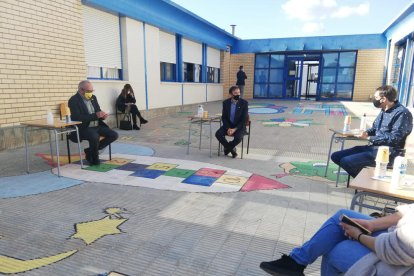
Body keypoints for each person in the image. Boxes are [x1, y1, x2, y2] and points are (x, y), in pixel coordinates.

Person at [260, 204, 414, 275]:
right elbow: (409, 211)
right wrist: (372, 224)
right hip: (398, 236)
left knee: (335, 249)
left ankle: (295, 264)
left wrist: (359, 236)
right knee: (342, 217)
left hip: (403, 262)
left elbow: (395, 249)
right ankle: (296, 261)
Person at [331, 85, 412, 178]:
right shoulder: (384, 109)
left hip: (388, 153)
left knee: (347, 161)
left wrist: (370, 138)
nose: (374, 99)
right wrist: (366, 132)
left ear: (383, 99)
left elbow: (395, 138)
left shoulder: (402, 113)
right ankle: (364, 180)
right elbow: (374, 128)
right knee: (336, 156)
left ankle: (366, 183)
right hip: (373, 148)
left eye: (376, 97)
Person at [68, 80, 118, 165]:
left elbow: (98, 111)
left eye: (92, 91)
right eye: (88, 91)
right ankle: (95, 158)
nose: (90, 93)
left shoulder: (93, 97)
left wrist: (102, 116)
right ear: (81, 90)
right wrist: (96, 115)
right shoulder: (73, 100)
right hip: (83, 127)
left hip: (97, 125)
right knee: (94, 136)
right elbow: (76, 117)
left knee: (114, 135)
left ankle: (90, 151)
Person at [215, 86, 248, 159]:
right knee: (218, 134)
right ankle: (232, 150)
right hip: (228, 125)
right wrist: (228, 128)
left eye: (239, 93)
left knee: (238, 138)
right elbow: (224, 117)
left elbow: (244, 120)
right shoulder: (225, 103)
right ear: (231, 94)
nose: (238, 94)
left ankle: (228, 148)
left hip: (239, 127)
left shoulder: (244, 103)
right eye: (235, 93)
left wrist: (235, 129)